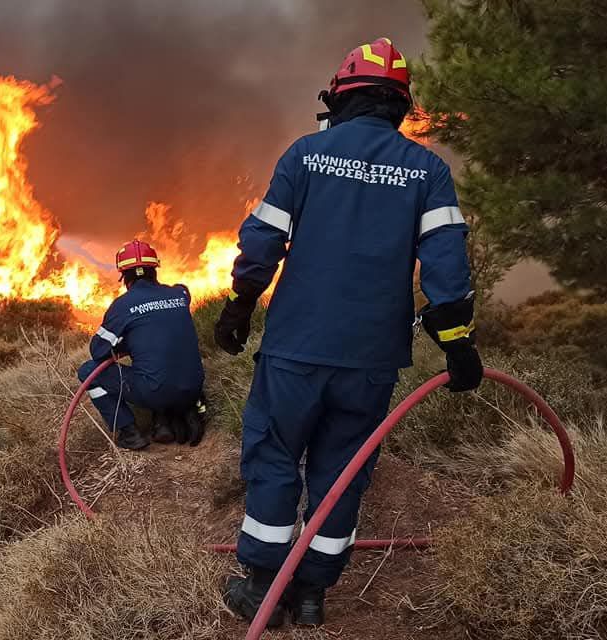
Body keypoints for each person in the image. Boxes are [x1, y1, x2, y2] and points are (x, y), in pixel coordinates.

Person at [213, 37, 483, 628]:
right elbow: (446, 266)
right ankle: (311, 594)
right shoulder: (427, 170)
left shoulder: (306, 156)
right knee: (343, 472)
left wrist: (239, 305)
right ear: (399, 106)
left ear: (340, 96)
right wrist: (457, 343)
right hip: (371, 359)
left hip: (295, 349)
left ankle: (262, 586)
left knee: (275, 455)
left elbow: (263, 243)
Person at [77, 240, 208, 450]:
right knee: (156, 362)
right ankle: (164, 420)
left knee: (88, 371)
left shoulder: (122, 306)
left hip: (155, 391)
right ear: (154, 270)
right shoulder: (179, 294)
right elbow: (172, 311)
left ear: (124, 277)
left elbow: (98, 351)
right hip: (194, 387)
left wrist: (126, 342)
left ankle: (130, 433)